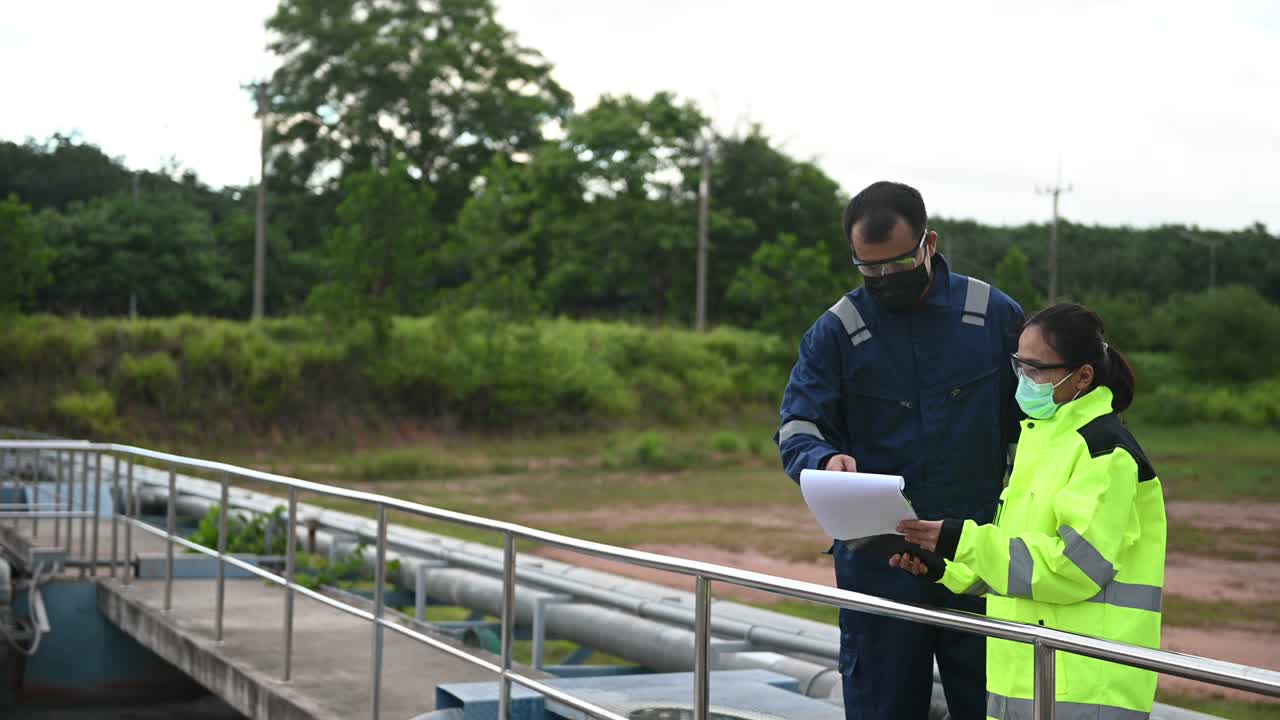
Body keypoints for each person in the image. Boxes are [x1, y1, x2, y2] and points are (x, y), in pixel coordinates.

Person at [776, 181, 1024, 720]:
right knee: (881, 705)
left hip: (975, 551)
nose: (885, 280)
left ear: (928, 243)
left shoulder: (993, 317)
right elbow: (797, 423)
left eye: (898, 264)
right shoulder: (836, 332)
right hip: (880, 560)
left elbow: (1035, 424)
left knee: (993, 705)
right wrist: (822, 461)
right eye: (871, 270)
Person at [894, 303, 1167, 720]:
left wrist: (963, 539)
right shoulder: (1041, 442)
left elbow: (1073, 569)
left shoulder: (1105, 453)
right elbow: (1019, 564)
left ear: (1083, 376)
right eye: (1018, 365)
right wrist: (945, 565)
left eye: (1036, 369)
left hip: (1085, 689)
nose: (1023, 380)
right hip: (1024, 679)